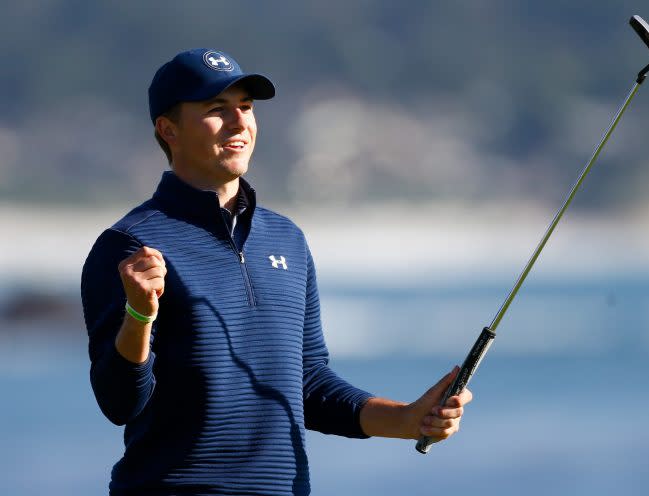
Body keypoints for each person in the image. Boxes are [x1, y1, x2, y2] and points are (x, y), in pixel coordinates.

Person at [81, 48, 472, 496]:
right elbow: (119, 402)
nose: (238, 123)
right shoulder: (130, 245)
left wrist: (403, 419)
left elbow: (307, 382)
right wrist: (139, 316)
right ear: (168, 129)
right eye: (216, 110)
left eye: (245, 108)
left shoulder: (286, 238)